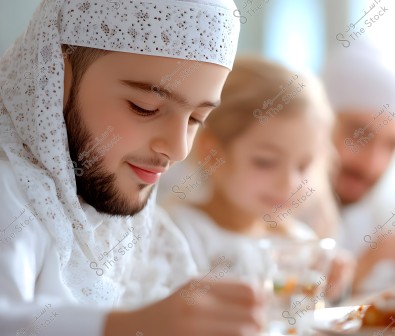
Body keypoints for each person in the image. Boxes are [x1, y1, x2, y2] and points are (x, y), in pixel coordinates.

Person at [0, 1, 265, 335]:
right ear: (53, 75)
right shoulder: (10, 191)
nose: (179, 149)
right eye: (145, 107)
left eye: (197, 119)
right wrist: (130, 326)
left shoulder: (134, 226)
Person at [162, 55, 354, 302]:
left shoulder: (299, 244)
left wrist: (333, 291)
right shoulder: (177, 234)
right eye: (266, 162)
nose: (289, 184)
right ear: (213, 154)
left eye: (303, 166)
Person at [321, 40, 395, 293]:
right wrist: (362, 268)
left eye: (391, 145)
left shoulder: (371, 217)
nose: (372, 165)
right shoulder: (266, 209)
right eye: (359, 135)